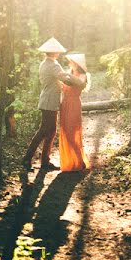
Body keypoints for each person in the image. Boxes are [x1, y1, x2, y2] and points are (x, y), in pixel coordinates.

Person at [23, 37, 84, 171]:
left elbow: (62, 77)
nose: (59, 53)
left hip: (46, 99)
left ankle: (45, 161)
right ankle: (27, 158)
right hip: (49, 101)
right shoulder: (54, 65)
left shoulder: (45, 63)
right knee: (44, 130)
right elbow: (65, 79)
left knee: (50, 131)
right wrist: (80, 81)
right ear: (55, 52)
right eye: (57, 51)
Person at [59, 53, 91, 172]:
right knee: (66, 132)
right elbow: (64, 85)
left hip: (74, 104)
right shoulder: (71, 74)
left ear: (77, 64)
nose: (69, 64)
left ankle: (79, 160)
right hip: (65, 104)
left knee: (72, 132)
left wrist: (66, 75)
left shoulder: (82, 75)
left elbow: (79, 83)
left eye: (71, 62)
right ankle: (72, 160)